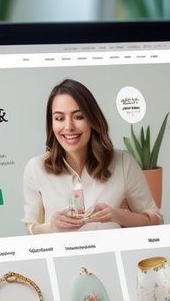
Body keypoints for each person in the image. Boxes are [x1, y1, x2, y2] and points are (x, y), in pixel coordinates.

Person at [22, 78, 162, 233]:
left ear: (92, 119)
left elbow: (156, 219)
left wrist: (117, 216)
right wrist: (52, 226)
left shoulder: (123, 163)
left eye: (78, 117)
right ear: (52, 123)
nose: (68, 127)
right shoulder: (35, 168)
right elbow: (32, 228)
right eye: (59, 118)